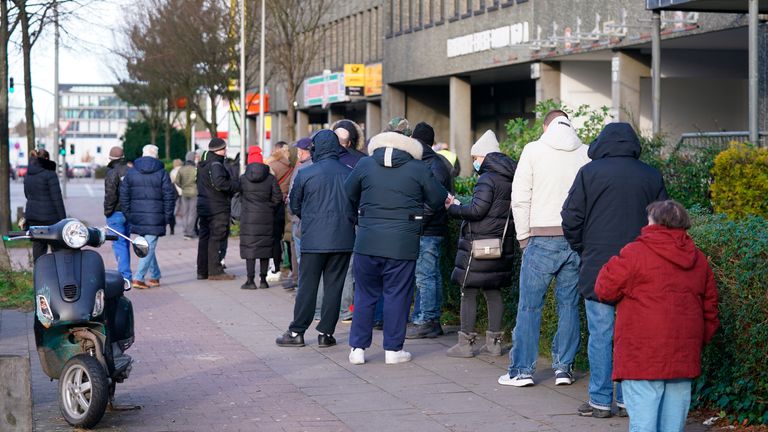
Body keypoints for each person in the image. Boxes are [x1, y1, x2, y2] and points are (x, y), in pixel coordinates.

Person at [561, 122, 668, 418]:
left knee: (600, 335)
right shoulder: (650, 174)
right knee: (632, 336)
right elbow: (663, 223)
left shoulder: (589, 173)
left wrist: (584, 247)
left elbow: (570, 217)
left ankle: (598, 400)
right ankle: (626, 400)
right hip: (641, 269)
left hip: (598, 267)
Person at [594, 200, 719, 431]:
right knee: (673, 426)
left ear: (654, 222)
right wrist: (697, 341)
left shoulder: (635, 252)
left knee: (643, 424)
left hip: (642, 356)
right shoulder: (698, 259)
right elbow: (710, 308)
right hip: (682, 355)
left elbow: (604, 289)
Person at [499, 112, 589, 387]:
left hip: (540, 238)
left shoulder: (533, 150)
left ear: (546, 126)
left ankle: (522, 371)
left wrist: (523, 238)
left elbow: (521, 197)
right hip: (575, 239)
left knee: (529, 307)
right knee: (569, 305)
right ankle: (564, 369)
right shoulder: (585, 152)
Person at [345, 131, 447, 365]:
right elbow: (437, 199)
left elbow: (348, 191)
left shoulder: (364, 164)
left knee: (364, 294)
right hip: (402, 243)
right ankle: (392, 349)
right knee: (397, 295)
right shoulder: (418, 168)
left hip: (367, 241)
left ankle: (357, 349)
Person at [275, 130, 356, 348]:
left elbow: (295, 205)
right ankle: (326, 334)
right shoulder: (349, 172)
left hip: (313, 238)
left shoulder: (305, 173)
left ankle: (297, 332)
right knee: (334, 286)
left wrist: (311, 219)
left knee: (308, 286)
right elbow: (356, 205)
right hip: (342, 238)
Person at [445, 130, 516, 357]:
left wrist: (453, 208)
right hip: (500, 243)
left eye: (475, 158)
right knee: (493, 291)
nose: (474, 162)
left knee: (469, 290)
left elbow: (477, 210)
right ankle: (494, 343)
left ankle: (465, 344)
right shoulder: (509, 176)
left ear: (484, 156)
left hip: (479, 243)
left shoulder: (487, 178)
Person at [405, 122, 454, 340]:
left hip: (428, 229)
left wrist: (415, 221)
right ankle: (424, 317)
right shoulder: (433, 162)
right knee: (427, 275)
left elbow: (433, 201)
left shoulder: (431, 164)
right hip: (428, 228)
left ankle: (429, 320)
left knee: (426, 275)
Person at [120, 144, 175, 289]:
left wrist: (128, 214)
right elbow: (170, 197)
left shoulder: (131, 173)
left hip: (137, 216)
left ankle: (155, 275)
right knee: (148, 247)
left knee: (147, 246)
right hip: (156, 217)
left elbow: (124, 195)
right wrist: (168, 217)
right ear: (156, 156)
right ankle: (138, 278)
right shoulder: (162, 173)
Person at [331, 119, 367, 322]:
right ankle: (347, 308)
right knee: (351, 266)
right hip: (355, 219)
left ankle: (322, 310)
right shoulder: (362, 161)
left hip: (326, 222)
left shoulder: (317, 161)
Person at [239, 146, 282, 290]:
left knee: (250, 249)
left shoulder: (243, 178)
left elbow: (238, 196)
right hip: (266, 217)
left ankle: (250, 281)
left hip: (248, 218)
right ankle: (263, 280)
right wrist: (269, 207)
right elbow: (278, 197)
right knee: (265, 249)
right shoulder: (270, 178)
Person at [197, 138, 239, 281]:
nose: (226, 151)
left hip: (204, 205)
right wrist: (235, 186)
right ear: (219, 150)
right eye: (224, 149)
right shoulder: (216, 165)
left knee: (204, 238)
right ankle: (215, 271)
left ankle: (202, 270)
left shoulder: (203, 164)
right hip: (217, 207)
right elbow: (220, 183)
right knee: (216, 238)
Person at [23, 149, 66, 262]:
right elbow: (57, 199)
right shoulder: (50, 174)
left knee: (38, 248)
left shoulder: (28, 175)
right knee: (57, 248)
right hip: (50, 219)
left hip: (33, 217)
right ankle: (57, 275)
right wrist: (63, 220)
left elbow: (27, 195)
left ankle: (39, 274)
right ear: (46, 159)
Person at [286, 138, 313, 292]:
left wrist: (292, 209)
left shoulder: (302, 168)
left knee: (301, 256)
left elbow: (294, 195)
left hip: (299, 219)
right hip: (309, 218)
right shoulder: (315, 165)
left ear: (303, 152)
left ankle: (304, 289)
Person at [267, 141, 295, 282]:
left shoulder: (272, 166)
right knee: (289, 237)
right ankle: (290, 268)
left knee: (275, 238)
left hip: (276, 207)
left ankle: (276, 267)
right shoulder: (293, 166)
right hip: (288, 205)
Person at [104, 146, 132, 280]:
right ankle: (126, 272)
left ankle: (125, 275)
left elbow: (111, 194)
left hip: (115, 213)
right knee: (126, 243)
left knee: (119, 244)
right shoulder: (131, 171)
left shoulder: (112, 172)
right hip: (129, 212)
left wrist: (107, 211)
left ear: (110, 158)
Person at [174, 151, 198, 239]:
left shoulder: (181, 169)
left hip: (184, 192)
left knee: (185, 213)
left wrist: (182, 186)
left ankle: (185, 231)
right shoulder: (195, 169)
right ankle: (190, 232)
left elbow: (177, 181)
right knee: (192, 213)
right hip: (194, 192)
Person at [168, 159, 183, 235]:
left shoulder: (172, 171)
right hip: (183, 190)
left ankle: (174, 220)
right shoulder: (183, 170)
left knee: (175, 207)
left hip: (175, 191)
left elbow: (171, 182)